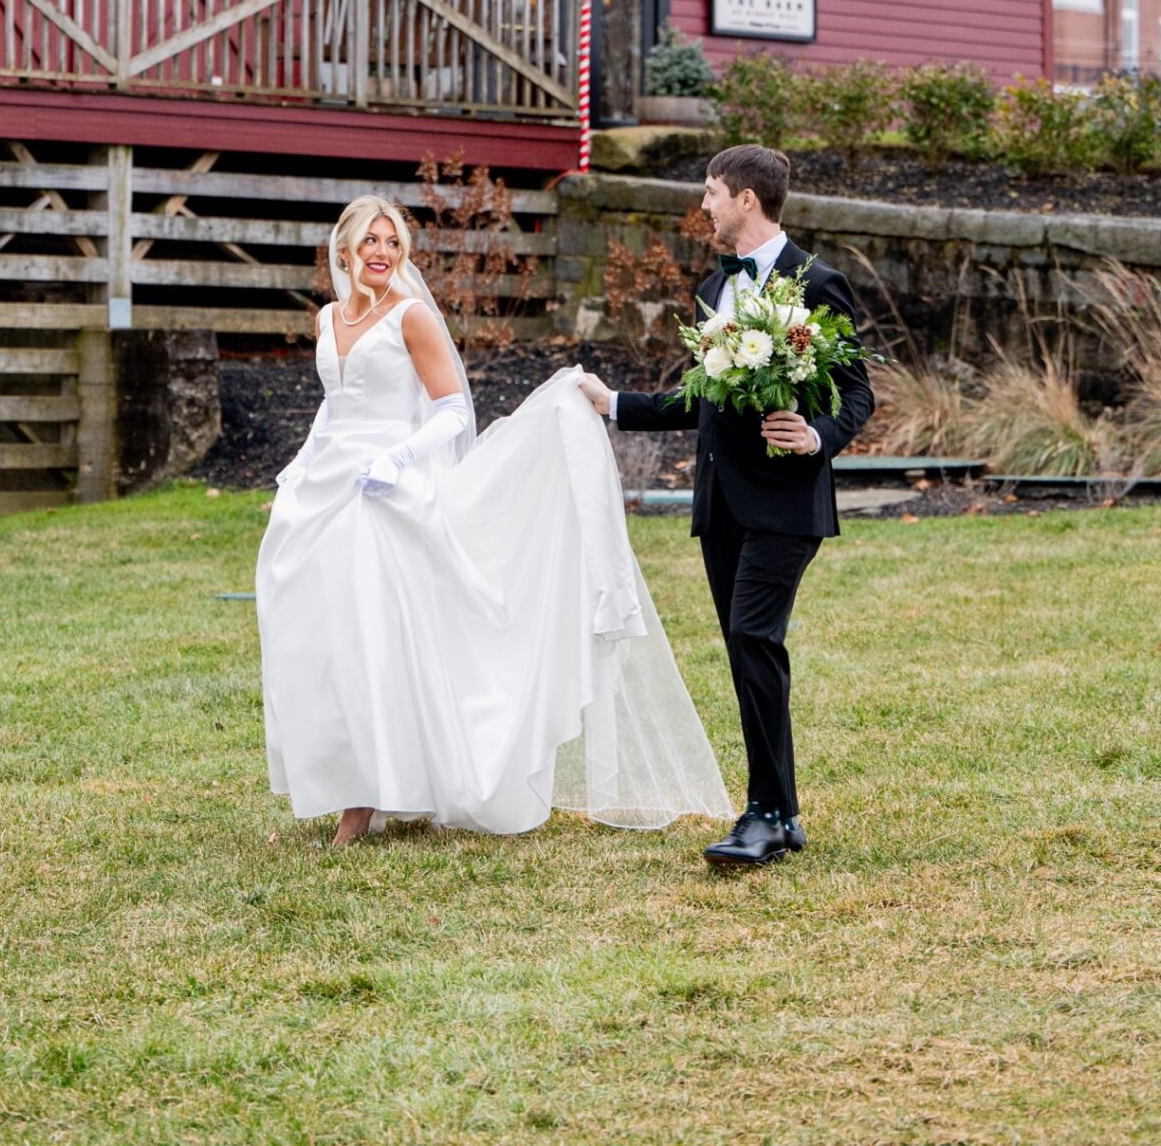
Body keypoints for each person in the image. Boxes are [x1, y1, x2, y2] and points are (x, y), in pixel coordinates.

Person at [257, 193, 732, 845]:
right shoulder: (327, 319)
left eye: (392, 243)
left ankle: (365, 798)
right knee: (322, 635)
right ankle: (348, 770)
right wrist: (297, 468)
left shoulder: (411, 317)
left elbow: (452, 411)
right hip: (328, 486)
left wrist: (397, 458)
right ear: (343, 249)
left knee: (375, 635)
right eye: (370, 241)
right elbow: (332, 404)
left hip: (392, 488)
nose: (382, 253)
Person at [580, 142, 873, 870]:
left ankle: (763, 816)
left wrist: (815, 434)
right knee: (750, 655)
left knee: (751, 638)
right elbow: (701, 393)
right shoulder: (715, 288)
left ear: (746, 199)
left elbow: (859, 391)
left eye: (711, 192)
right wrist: (615, 404)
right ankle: (783, 812)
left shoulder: (818, 282)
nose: (703, 205)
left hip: (784, 499)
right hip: (722, 501)